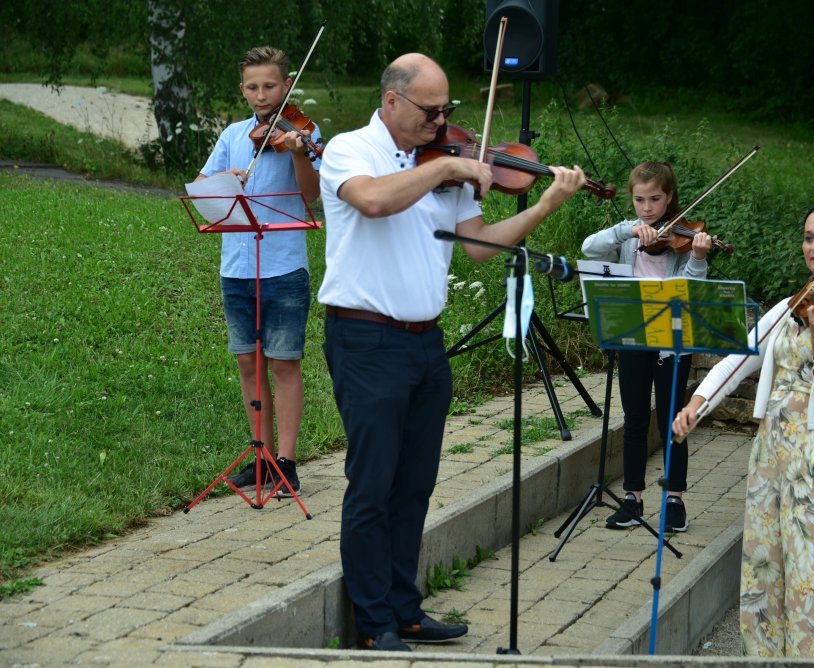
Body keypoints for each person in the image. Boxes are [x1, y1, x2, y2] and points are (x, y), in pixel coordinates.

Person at [317, 52, 586, 652]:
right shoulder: (349, 149)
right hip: (365, 338)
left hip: (425, 343)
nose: (442, 123)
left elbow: (479, 247)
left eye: (448, 112)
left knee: (414, 486)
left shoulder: (446, 162)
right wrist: (444, 171)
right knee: (372, 486)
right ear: (392, 101)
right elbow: (374, 202)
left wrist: (543, 206)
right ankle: (373, 623)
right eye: (431, 111)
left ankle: (405, 609)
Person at [673, 202, 814, 658]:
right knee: (763, 565)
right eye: (809, 237)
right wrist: (698, 403)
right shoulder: (793, 305)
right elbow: (742, 355)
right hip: (773, 444)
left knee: (810, 572)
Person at [197, 45, 321, 498]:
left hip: (284, 267)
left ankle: (287, 463)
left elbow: (311, 196)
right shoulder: (233, 135)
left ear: (286, 85)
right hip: (236, 268)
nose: (261, 95)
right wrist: (227, 177)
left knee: (284, 364)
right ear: (243, 89)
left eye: (270, 86)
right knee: (249, 365)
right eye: (252, 87)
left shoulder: (303, 132)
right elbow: (203, 191)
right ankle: (261, 458)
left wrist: (297, 153)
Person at [581, 162, 712, 532]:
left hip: (672, 343)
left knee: (673, 421)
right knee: (635, 419)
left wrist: (699, 258)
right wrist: (625, 230)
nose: (647, 208)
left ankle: (674, 500)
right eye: (639, 200)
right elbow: (589, 248)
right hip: (634, 337)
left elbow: (691, 290)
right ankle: (633, 497)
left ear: (669, 197)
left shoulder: (684, 240)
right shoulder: (628, 239)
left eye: (655, 199)